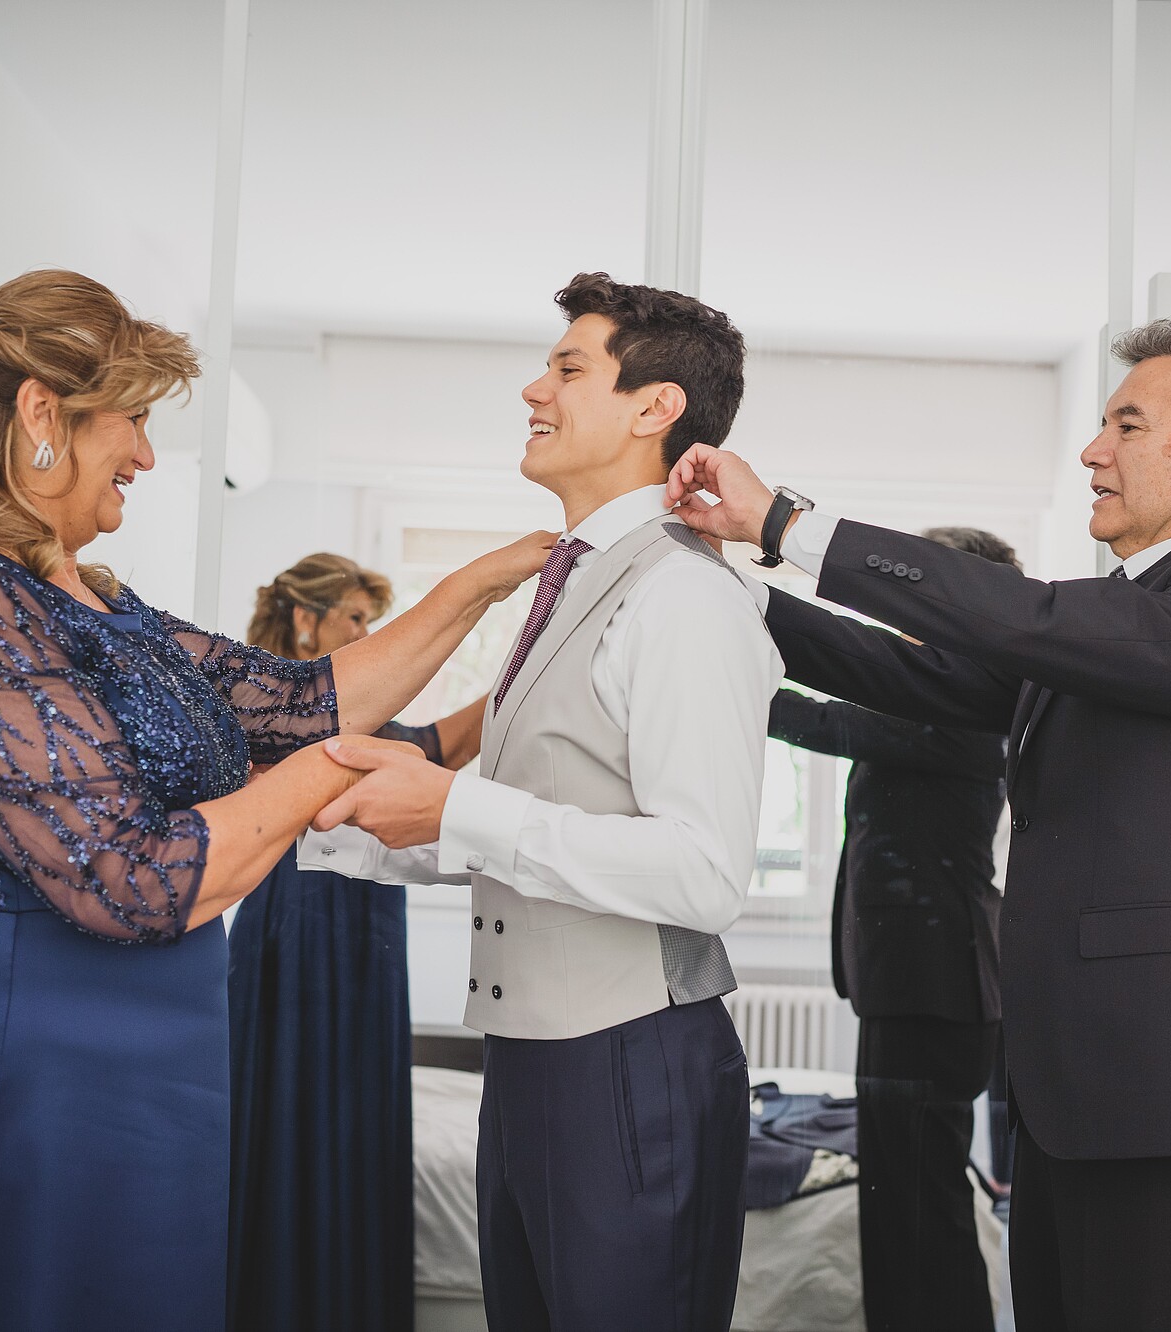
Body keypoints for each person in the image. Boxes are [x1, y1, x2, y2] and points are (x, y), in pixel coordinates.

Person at [0, 269, 553, 1332]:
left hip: (157, 1052)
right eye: (129, 420)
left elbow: (312, 697)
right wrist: (338, 773)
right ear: (42, 415)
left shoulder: (97, 601)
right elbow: (130, 879)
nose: (143, 455)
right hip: (31, 1058)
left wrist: (488, 582)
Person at [667, 318, 1171, 1332]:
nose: (1090, 451)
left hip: (1169, 1100)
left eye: (1125, 423)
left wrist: (784, 524)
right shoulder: (1121, 619)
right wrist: (712, 582)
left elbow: (1019, 618)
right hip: (1068, 1102)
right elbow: (906, 673)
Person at [299, 273, 783, 1332]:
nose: (533, 388)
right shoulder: (567, 583)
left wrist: (454, 809)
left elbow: (701, 876)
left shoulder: (684, 596)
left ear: (655, 408)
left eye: (567, 368)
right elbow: (539, 816)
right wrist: (336, 828)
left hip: (628, 1061)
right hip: (527, 1065)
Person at [767, 523, 1017, 1332]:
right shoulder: (944, 693)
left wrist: (719, 651)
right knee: (904, 1208)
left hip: (934, 990)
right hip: (915, 987)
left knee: (918, 1212)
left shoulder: (967, 698)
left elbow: (823, 722)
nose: (904, 618)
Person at [227, 552, 486, 1332]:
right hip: (299, 928)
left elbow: (439, 747)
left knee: (356, 1108)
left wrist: (519, 673)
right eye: (356, 619)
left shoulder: (362, 717)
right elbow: (435, 748)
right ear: (308, 620)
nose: (369, 635)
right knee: (296, 1107)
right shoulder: (266, 704)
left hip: (362, 930)